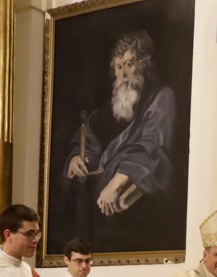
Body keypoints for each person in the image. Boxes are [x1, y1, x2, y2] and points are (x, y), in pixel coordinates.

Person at [64, 30, 182, 252]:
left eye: (129, 64)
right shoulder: (109, 110)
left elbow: (151, 145)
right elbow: (87, 139)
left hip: (139, 211)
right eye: (119, 67)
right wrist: (74, 159)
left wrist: (115, 182)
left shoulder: (161, 98)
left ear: (143, 65)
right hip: (99, 214)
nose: (124, 74)